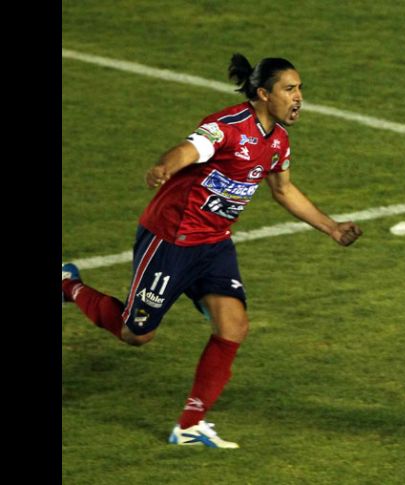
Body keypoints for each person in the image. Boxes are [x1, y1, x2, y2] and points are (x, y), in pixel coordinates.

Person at [62, 54, 363, 449]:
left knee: (233, 326)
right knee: (136, 334)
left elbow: (283, 190)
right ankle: (69, 285)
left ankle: (189, 424)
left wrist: (332, 228)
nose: (299, 97)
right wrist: (164, 166)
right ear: (262, 93)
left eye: (300, 88)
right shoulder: (228, 127)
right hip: (172, 238)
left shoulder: (279, 142)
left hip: (214, 244)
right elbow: (191, 149)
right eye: (290, 89)